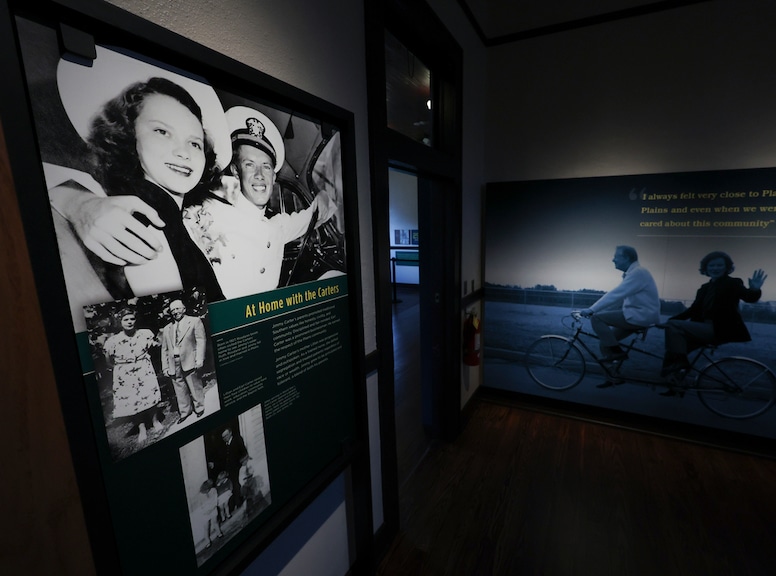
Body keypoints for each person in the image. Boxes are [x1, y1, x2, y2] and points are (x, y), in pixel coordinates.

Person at [44, 46, 231, 331]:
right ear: (130, 137)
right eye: (162, 131)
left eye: (194, 142)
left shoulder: (166, 210)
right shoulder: (150, 208)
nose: (183, 152)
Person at [181, 106, 341, 298]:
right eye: (249, 165)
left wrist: (332, 192)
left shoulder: (277, 226)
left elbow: (315, 214)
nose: (259, 175)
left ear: (274, 177)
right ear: (235, 171)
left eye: (265, 167)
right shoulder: (202, 215)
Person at [661, 251, 766, 382]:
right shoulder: (704, 288)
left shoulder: (732, 283)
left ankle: (681, 365)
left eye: (719, 265)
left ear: (726, 267)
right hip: (702, 328)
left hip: (720, 329)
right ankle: (674, 383)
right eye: (711, 265)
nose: (715, 268)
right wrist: (669, 320)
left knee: (675, 338)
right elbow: (693, 311)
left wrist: (755, 289)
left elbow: (749, 297)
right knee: (673, 349)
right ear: (705, 268)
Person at [579, 246, 661, 367]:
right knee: (605, 343)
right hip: (638, 315)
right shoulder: (635, 273)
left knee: (596, 318)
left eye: (616, 257)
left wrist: (592, 310)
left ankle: (617, 353)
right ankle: (613, 378)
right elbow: (620, 299)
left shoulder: (638, 272)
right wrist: (603, 311)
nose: (613, 260)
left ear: (626, 258)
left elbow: (615, 294)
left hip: (639, 316)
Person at [102, 308, 162, 444]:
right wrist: (122, 369)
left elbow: (157, 345)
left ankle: (155, 421)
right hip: (124, 373)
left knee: (150, 395)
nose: (129, 322)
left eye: (132, 319)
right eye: (126, 319)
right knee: (132, 400)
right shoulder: (113, 341)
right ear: (120, 321)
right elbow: (108, 361)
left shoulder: (144, 334)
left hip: (144, 368)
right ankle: (142, 429)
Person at [160, 300, 207, 423]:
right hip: (173, 361)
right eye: (173, 310)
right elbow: (164, 349)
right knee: (179, 387)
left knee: (193, 384)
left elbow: (201, 340)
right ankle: (185, 412)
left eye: (177, 309)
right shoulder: (167, 329)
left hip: (189, 359)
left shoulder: (194, 321)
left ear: (184, 309)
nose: (175, 312)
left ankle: (199, 407)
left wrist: (199, 359)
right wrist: (165, 367)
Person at [209, 427, 248, 513]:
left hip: (237, 468)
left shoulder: (237, 440)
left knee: (236, 485)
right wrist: (214, 464)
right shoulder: (224, 446)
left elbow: (243, 452)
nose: (224, 438)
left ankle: (238, 503)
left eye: (226, 436)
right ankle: (232, 506)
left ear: (230, 433)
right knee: (231, 488)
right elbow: (222, 460)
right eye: (223, 437)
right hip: (228, 471)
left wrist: (243, 463)